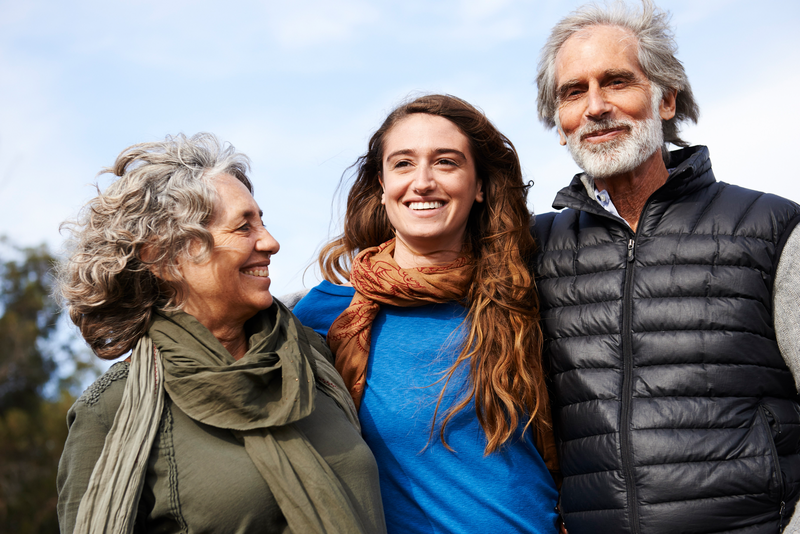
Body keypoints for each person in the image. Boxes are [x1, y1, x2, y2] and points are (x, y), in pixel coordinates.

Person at [532, 1, 800, 533]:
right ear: (559, 126)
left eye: (616, 82)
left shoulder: (772, 227)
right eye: (573, 92)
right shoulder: (534, 249)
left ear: (666, 99)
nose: (595, 107)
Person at [55, 133, 387, 534]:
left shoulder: (316, 357)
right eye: (243, 227)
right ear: (163, 255)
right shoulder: (111, 409)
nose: (270, 241)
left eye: (262, 221)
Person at [292, 93, 560, 533]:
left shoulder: (527, 292)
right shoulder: (326, 315)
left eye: (446, 162)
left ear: (479, 186)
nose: (422, 182)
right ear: (381, 187)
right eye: (402, 163)